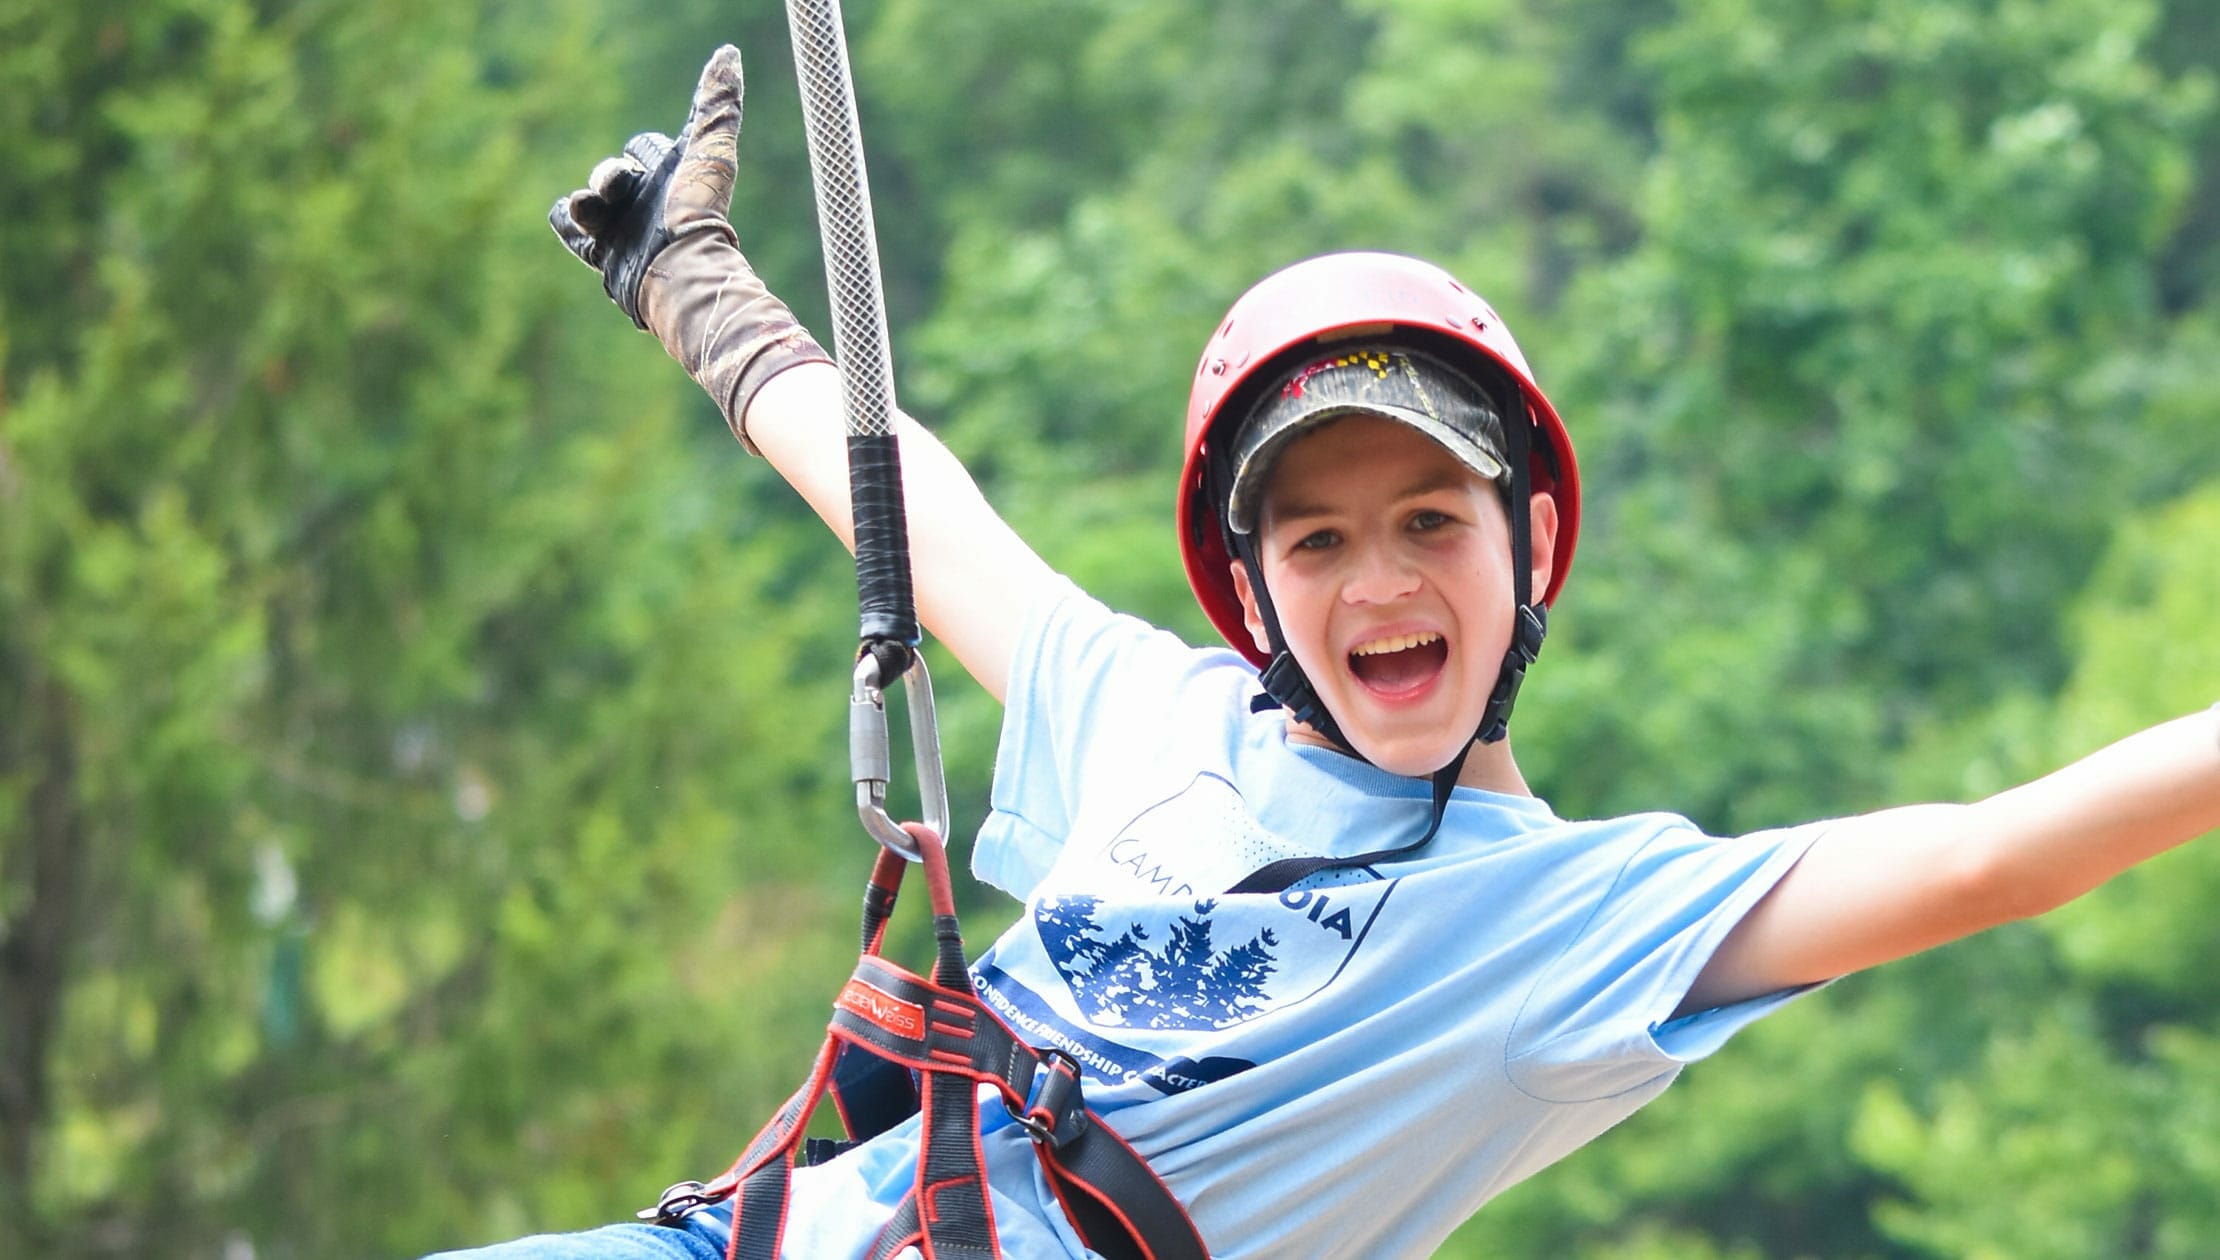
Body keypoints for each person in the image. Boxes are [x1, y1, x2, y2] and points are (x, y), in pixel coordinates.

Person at [445, 44, 2220, 1260]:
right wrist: (697, 290)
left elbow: (1998, 854)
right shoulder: (1155, 708)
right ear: (1257, 590)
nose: (1379, 582)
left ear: (1529, 553)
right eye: (1320, 538)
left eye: (1431, 523)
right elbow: (916, 498)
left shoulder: (1564, 934)